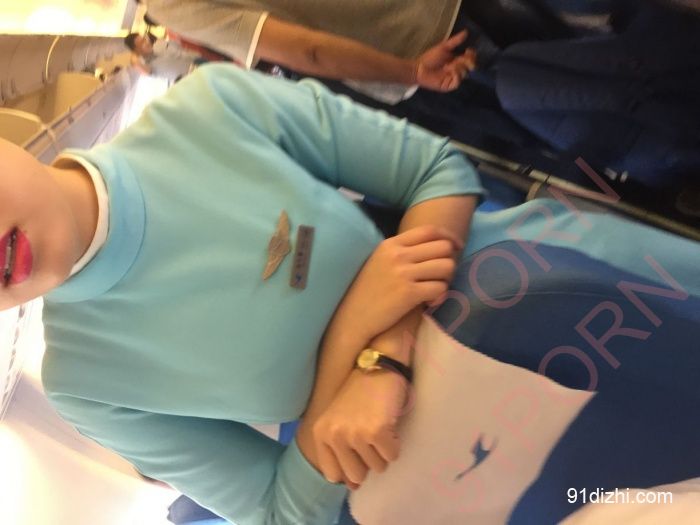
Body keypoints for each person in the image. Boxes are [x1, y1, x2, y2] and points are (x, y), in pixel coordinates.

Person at [2, 63, 482, 524]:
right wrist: (350, 332)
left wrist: (387, 353)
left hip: (503, 308)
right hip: (461, 471)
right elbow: (281, 515)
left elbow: (437, 170)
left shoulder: (209, 108)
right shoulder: (84, 384)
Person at [124, 32, 201, 81]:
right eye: (142, 43)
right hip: (193, 78)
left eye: (144, 39)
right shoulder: (148, 66)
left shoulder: (159, 45)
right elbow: (136, 64)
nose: (147, 42)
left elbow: (179, 47)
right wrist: (134, 55)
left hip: (198, 60)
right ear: (136, 50)